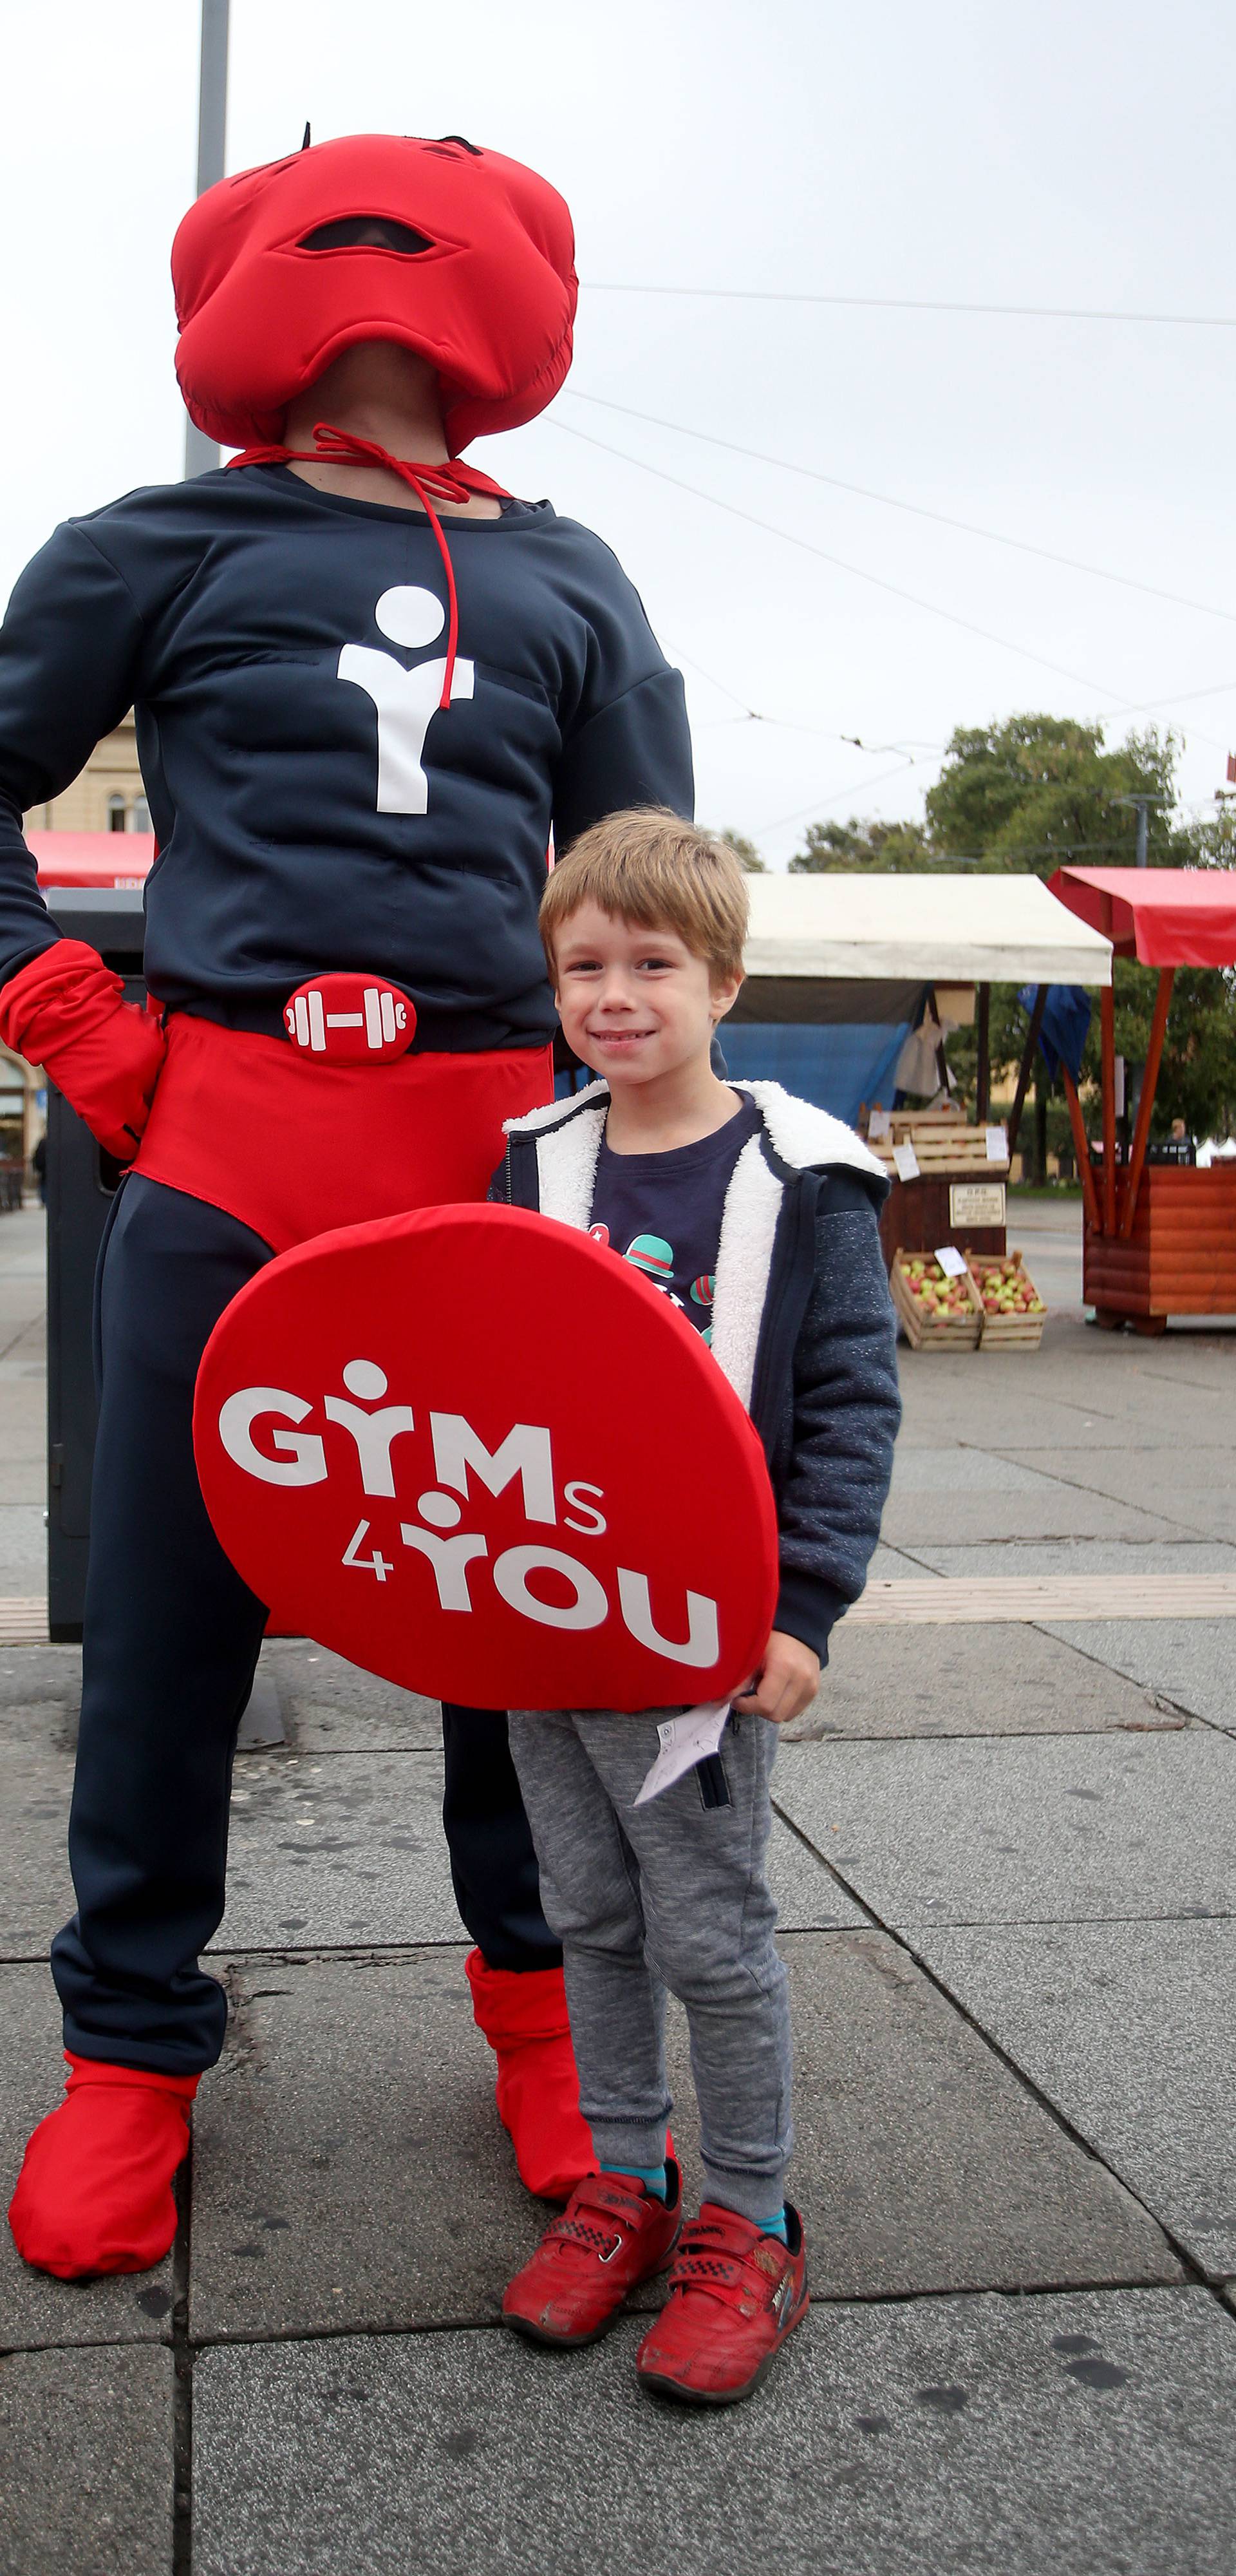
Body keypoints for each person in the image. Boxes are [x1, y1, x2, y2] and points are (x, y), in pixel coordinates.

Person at [0, 132, 693, 2281]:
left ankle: (548, 2018)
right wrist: (72, 1017)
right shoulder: (150, 539)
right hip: (221, 1147)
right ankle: (130, 2057)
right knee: (173, 1633)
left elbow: (647, 888)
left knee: (524, 1618)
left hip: (498, 1169)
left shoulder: (576, 580)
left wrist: (656, 1137)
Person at [492, 812, 901, 2405]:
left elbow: (850, 1399)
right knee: (585, 1911)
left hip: (705, 1648)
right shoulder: (537, 1157)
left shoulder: (807, 1173)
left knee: (712, 1934)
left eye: (651, 962)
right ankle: (624, 2178)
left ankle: (753, 2211)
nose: (615, 992)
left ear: (722, 978)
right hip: (547, 1619)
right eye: (583, 963)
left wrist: (803, 1608)